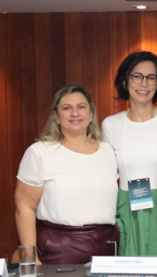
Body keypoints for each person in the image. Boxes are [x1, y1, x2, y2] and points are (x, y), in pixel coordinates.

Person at [15, 84, 119, 264]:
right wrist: (30, 258)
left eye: (81, 107)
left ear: (91, 114)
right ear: (56, 116)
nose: (75, 113)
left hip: (107, 250)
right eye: (66, 108)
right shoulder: (40, 152)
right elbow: (24, 207)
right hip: (57, 251)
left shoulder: (107, 151)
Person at [102, 51, 157, 261]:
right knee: (130, 273)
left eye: (151, 77)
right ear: (125, 81)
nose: (144, 83)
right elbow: (108, 177)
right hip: (128, 211)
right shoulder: (110, 125)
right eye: (137, 76)